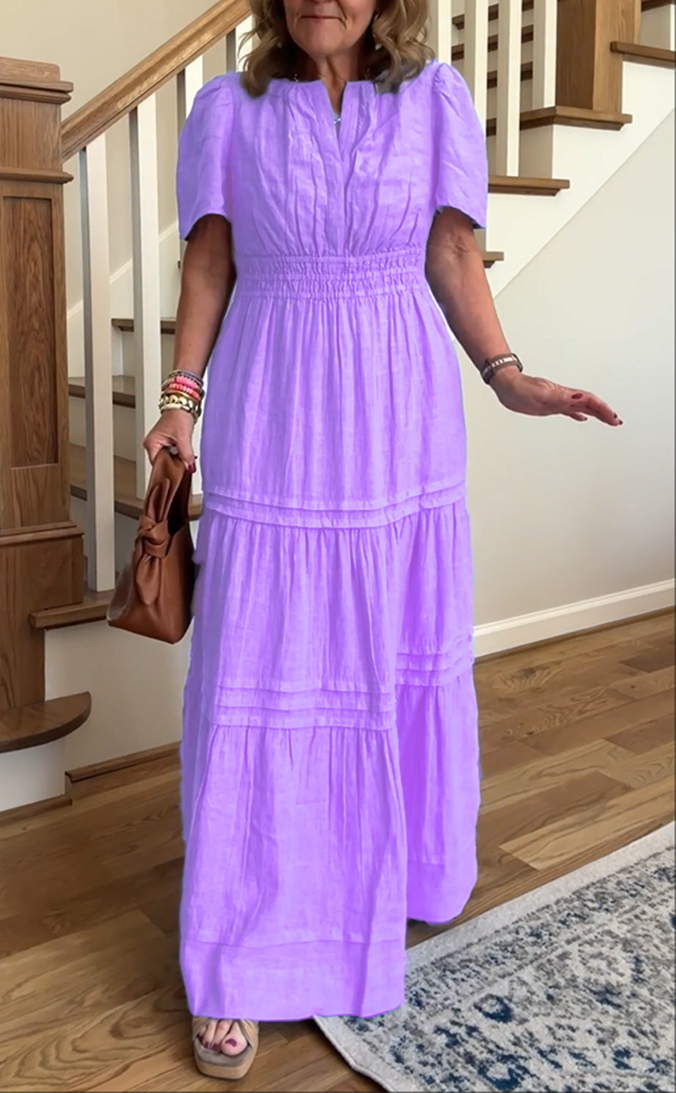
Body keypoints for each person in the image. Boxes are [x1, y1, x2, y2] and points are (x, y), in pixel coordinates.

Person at [143, 0, 623, 1080]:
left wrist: (506, 375)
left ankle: (383, 878)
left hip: (401, 409)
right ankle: (239, 955)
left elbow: (452, 252)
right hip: (275, 401)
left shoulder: (436, 99)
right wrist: (180, 400)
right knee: (261, 668)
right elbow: (209, 266)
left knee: (393, 651)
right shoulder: (227, 110)